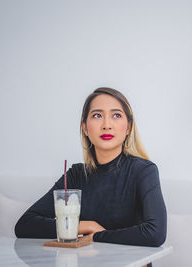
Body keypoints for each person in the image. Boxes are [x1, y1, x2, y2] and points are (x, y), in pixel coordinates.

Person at [15, 87, 167, 253]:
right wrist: (85, 226)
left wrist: (96, 236)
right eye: (97, 115)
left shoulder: (143, 171)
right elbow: (25, 225)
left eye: (116, 115)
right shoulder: (76, 175)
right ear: (85, 128)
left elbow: (155, 233)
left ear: (129, 127)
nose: (107, 125)